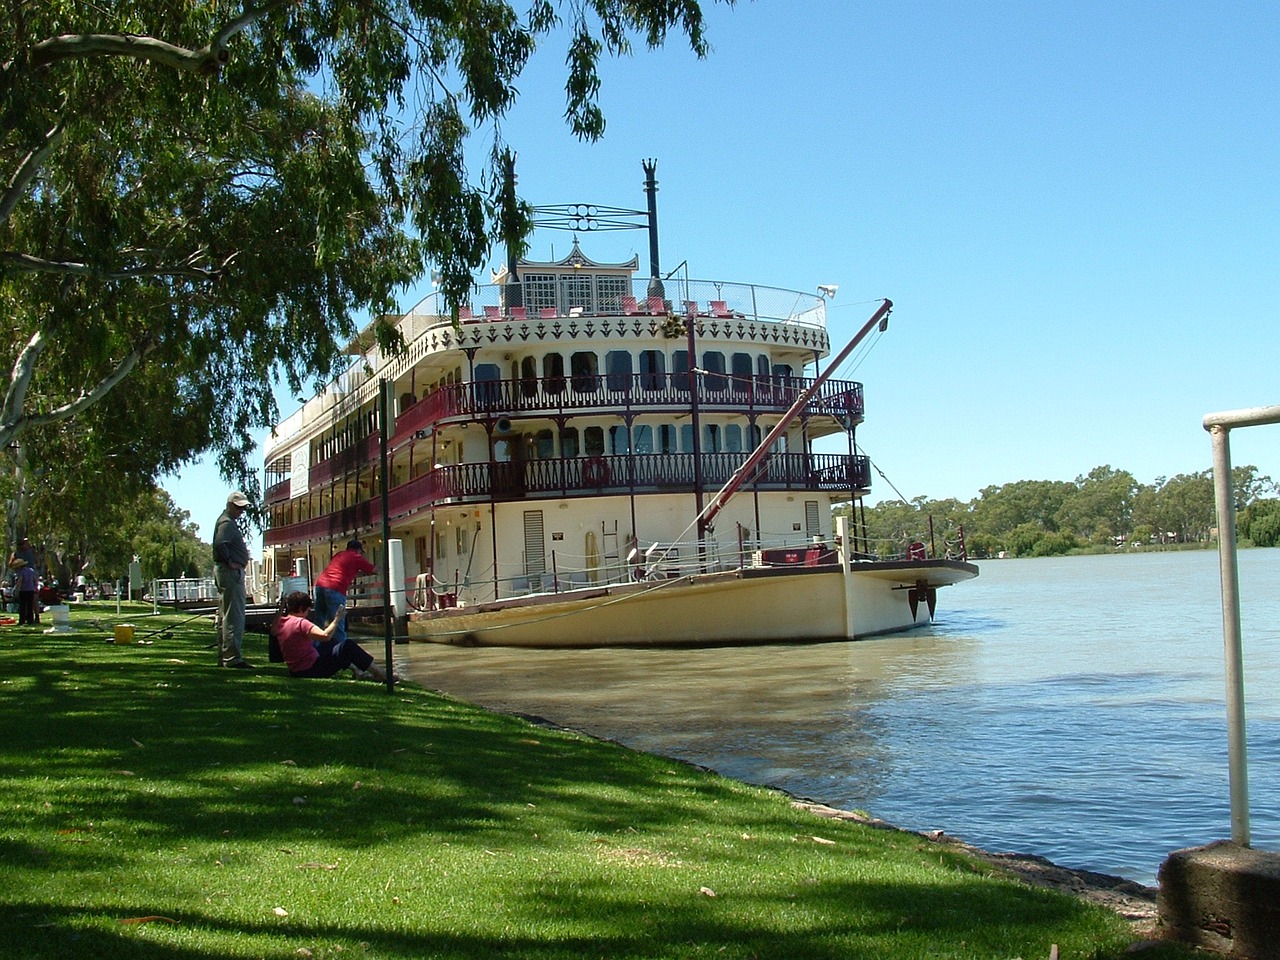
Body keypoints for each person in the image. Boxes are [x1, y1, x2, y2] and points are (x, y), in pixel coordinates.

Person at [273, 591, 388, 681]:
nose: (308, 611)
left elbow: (273, 630)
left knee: (333, 643)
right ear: (301, 608)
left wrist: (282, 606)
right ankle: (381, 674)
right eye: (308, 608)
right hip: (310, 670)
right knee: (347, 645)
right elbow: (325, 635)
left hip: (295, 670)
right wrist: (337, 619)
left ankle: (357, 671)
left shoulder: (281, 622)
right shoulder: (301, 623)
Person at [313, 539, 376, 651]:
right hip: (335, 588)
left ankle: (314, 649)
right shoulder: (357, 557)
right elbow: (374, 570)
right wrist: (386, 569)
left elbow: (343, 570)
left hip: (319, 585)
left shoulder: (339, 555)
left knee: (319, 621)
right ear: (358, 550)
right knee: (338, 623)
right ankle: (343, 653)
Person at [214, 490, 253, 668]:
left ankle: (225, 655)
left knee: (226, 614)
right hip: (230, 574)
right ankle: (232, 657)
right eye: (238, 508)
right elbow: (220, 543)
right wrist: (231, 561)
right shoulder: (226, 523)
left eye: (243, 509)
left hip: (227, 573)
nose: (241, 512)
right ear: (230, 505)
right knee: (234, 616)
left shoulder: (227, 522)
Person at [15, 561, 38, 625]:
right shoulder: (31, 570)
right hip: (31, 589)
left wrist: (17, 589)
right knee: (29, 606)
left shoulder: (20, 572)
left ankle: (22, 620)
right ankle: (30, 620)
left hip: (23, 590)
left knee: (22, 606)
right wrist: (35, 588)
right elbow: (35, 580)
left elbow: (20, 580)